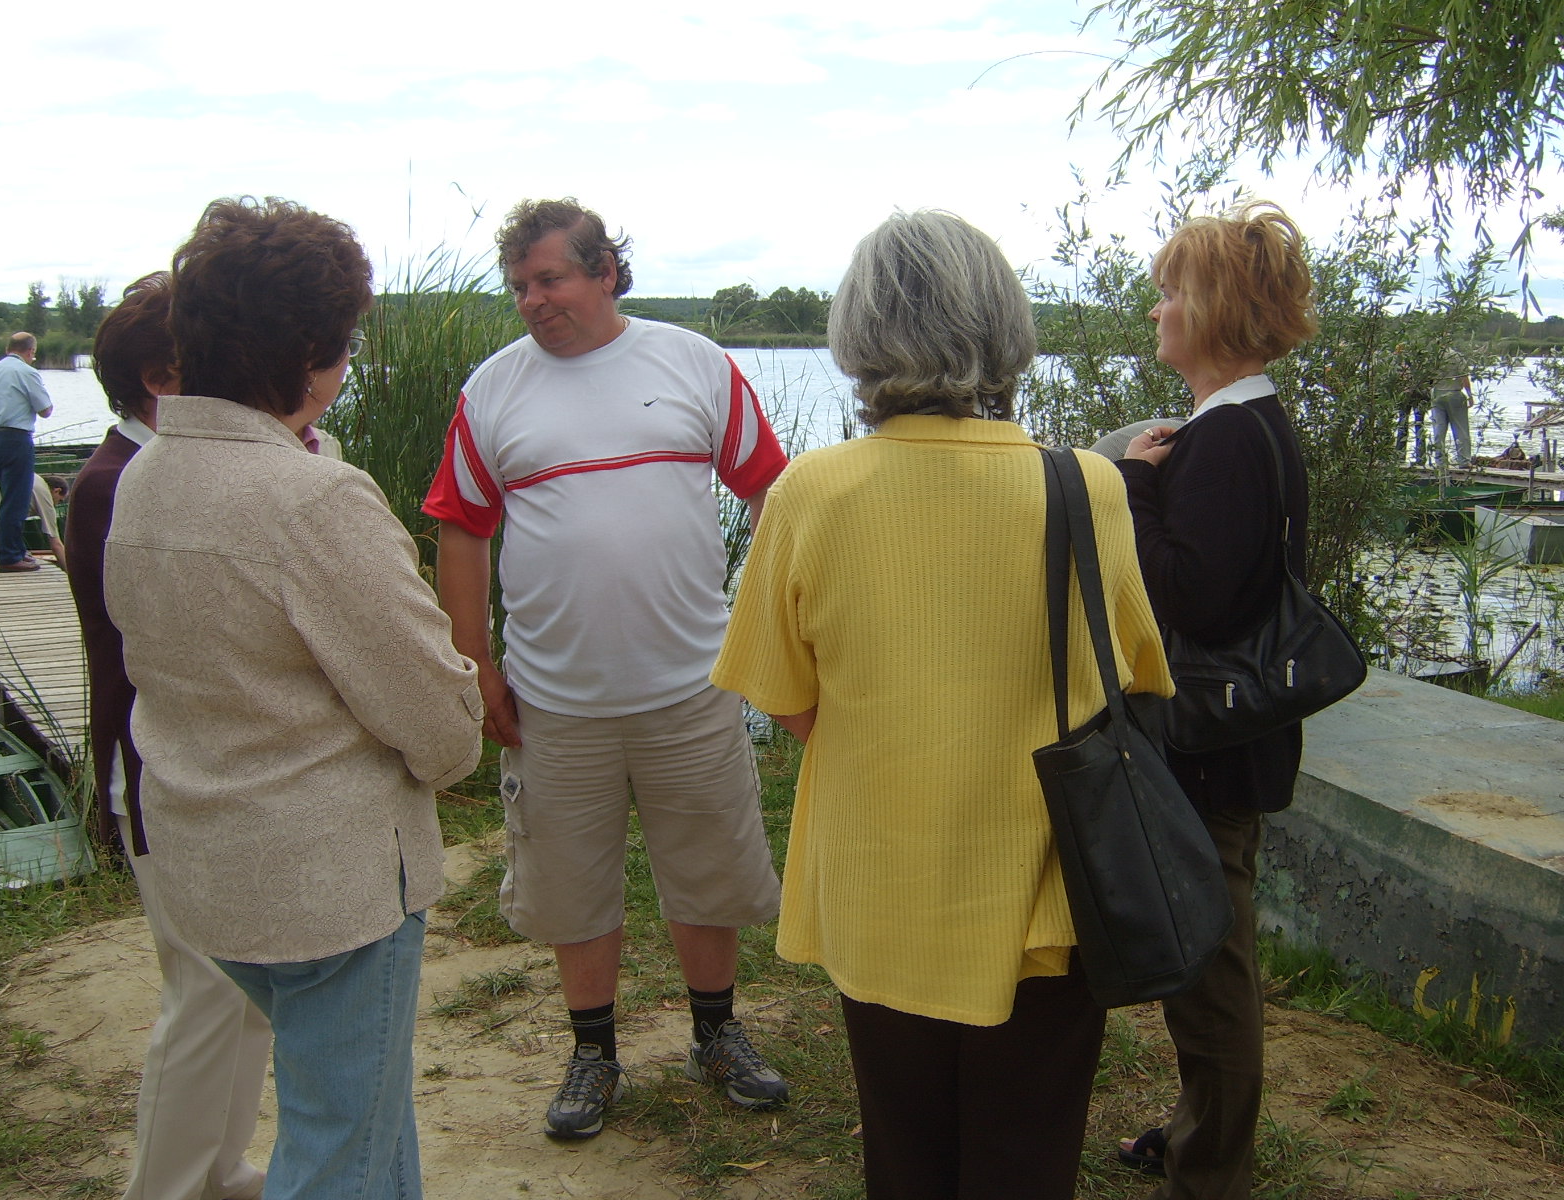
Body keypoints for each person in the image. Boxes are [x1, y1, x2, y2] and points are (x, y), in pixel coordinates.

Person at [711, 210, 1174, 1200]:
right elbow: (1134, 675)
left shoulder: (810, 491)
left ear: (859, 333)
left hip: (881, 883)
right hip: (1047, 886)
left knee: (904, 1152)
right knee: (1027, 1157)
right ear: (1005, 328)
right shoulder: (1087, 486)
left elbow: (785, 696)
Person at [105, 197, 484, 1200]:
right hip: (327, 890)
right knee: (337, 1148)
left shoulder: (146, 474)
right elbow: (434, 716)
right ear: (309, 353)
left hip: (207, 860)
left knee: (363, 1113)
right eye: (345, 341)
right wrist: (457, 741)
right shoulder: (313, 498)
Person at [424, 197, 789, 1140]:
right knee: (569, 883)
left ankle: (717, 1035)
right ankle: (593, 1054)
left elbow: (774, 496)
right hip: (553, 699)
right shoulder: (493, 388)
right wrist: (476, 666)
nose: (532, 300)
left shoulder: (693, 363)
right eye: (519, 286)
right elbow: (461, 530)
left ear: (606, 273)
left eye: (549, 279)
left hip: (693, 685)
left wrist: (773, 628)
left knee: (709, 869)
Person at [1114, 201, 1318, 1200]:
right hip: (1232, 738)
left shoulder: (1228, 438)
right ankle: (1200, 1135)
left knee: (1209, 968)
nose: (1156, 310)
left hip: (1208, 749)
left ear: (1212, 309)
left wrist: (1130, 486)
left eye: (1169, 293)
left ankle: (1211, 1175)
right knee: (1209, 957)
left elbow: (1189, 595)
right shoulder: (1241, 425)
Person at [65, 271, 273, 1200]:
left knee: (244, 989)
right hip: (157, 768)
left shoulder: (149, 469)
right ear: (161, 379)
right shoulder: (117, 482)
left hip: (201, 765)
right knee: (203, 991)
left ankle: (217, 1166)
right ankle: (168, 1185)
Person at [0, 332, 53, 572]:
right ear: (30, 351)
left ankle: (15, 550)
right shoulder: (26, 372)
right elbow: (45, 409)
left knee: (8, 496)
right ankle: (9, 556)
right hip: (16, 438)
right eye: (34, 355)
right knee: (17, 499)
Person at [0, 473, 67, 569]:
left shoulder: (28, 475)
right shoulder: (46, 497)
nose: (56, 504)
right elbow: (56, 544)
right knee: (20, 553)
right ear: (57, 491)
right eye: (60, 500)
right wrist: (70, 572)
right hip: (0, 526)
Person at [1429, 351, 1474, 468]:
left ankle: (1439, 460)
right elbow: (1464, 376)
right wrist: (1470, 395)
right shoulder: (1456, 356)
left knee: (1439, 428)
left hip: (1437, 395)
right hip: (1454, 393)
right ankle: (1463, 460)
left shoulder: (1433, 355)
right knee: (1460, 428)